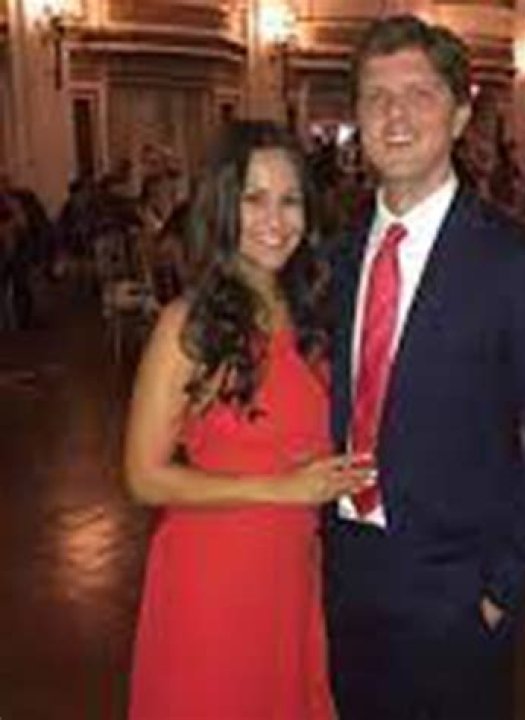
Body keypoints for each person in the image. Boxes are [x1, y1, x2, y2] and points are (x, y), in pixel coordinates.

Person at [324, 15, 525, 720]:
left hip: (458, 594)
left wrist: (502, 587)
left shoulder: (518, 262)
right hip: (346, 581)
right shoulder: (337, 258)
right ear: (356, 117)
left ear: (460, 114)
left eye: (419, 93)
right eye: (376, 96)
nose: (395, 114)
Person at [124, 120, 368, 720]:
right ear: (223, 206)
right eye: (254, 199)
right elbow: (143, 477)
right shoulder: (188, 324)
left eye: (290, 200)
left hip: (291, 570)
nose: (274, 220)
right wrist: (282, 488)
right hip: (213, 575)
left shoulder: (310, 313)